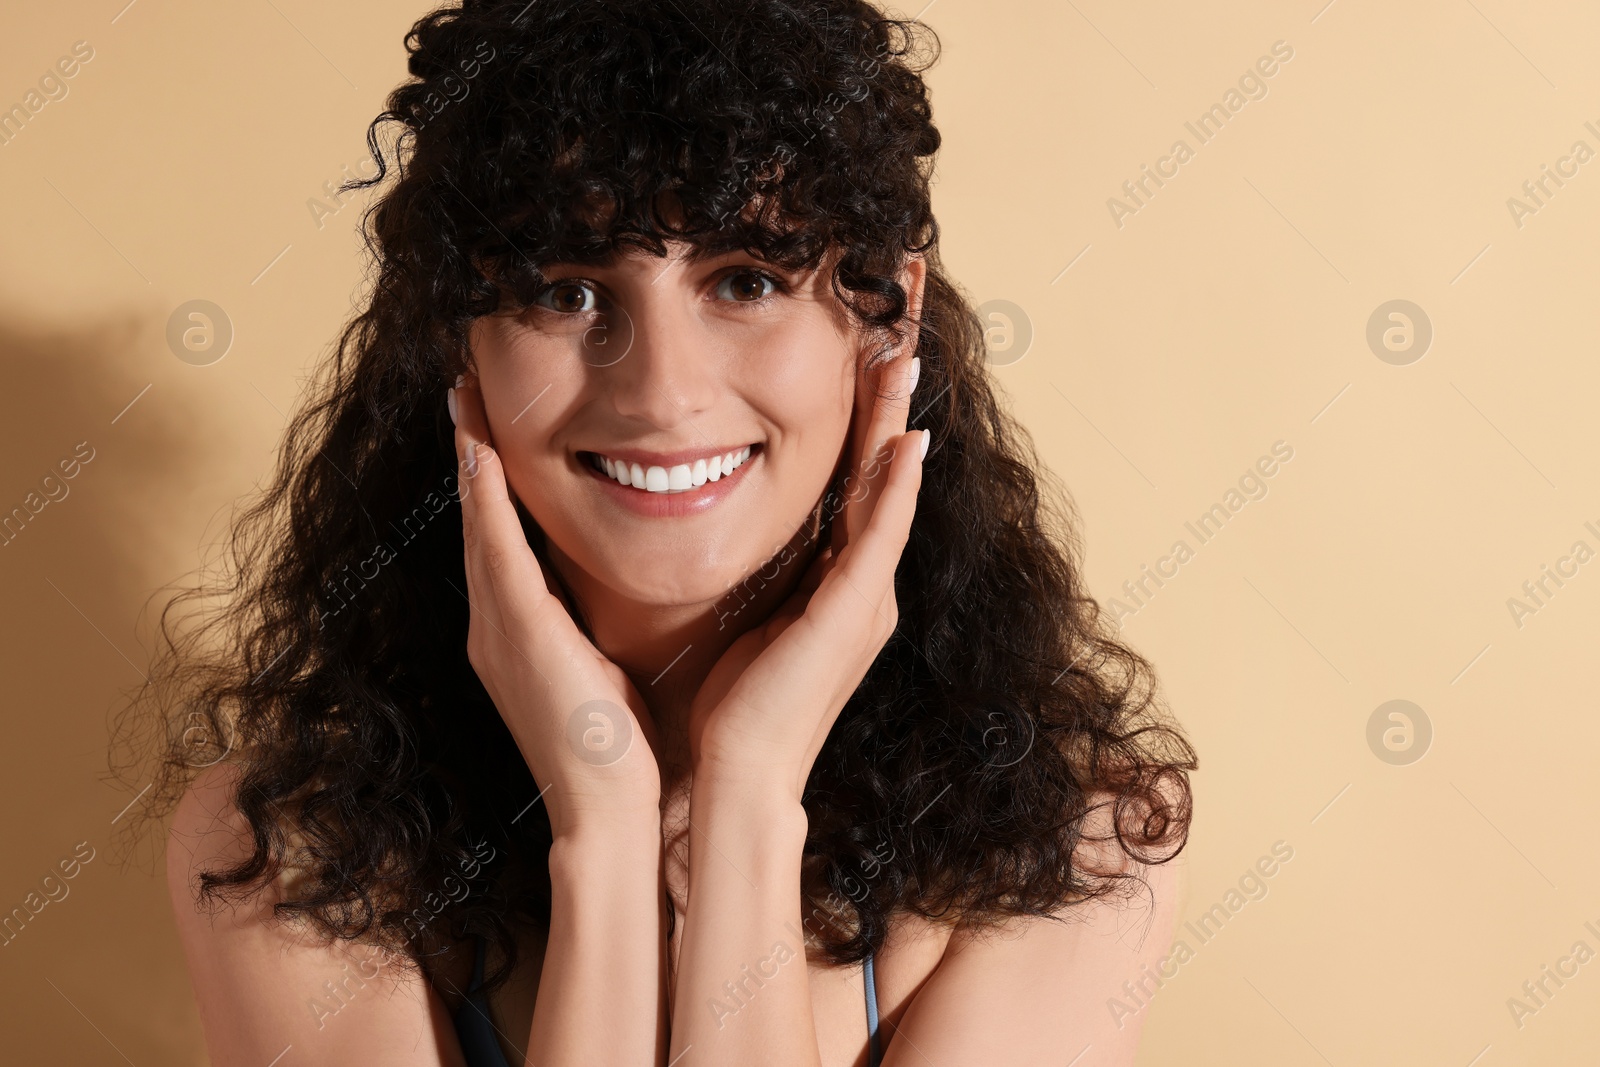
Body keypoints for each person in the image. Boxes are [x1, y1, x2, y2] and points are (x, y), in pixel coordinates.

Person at [127, 1, 1198, 1063]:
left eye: (745, 280)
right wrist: (598, 825)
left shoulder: (1077, 842)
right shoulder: (279, 846)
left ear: (887, 317)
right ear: (460, 346)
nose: (660, 391)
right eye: (565, 289)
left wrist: (747, 796)